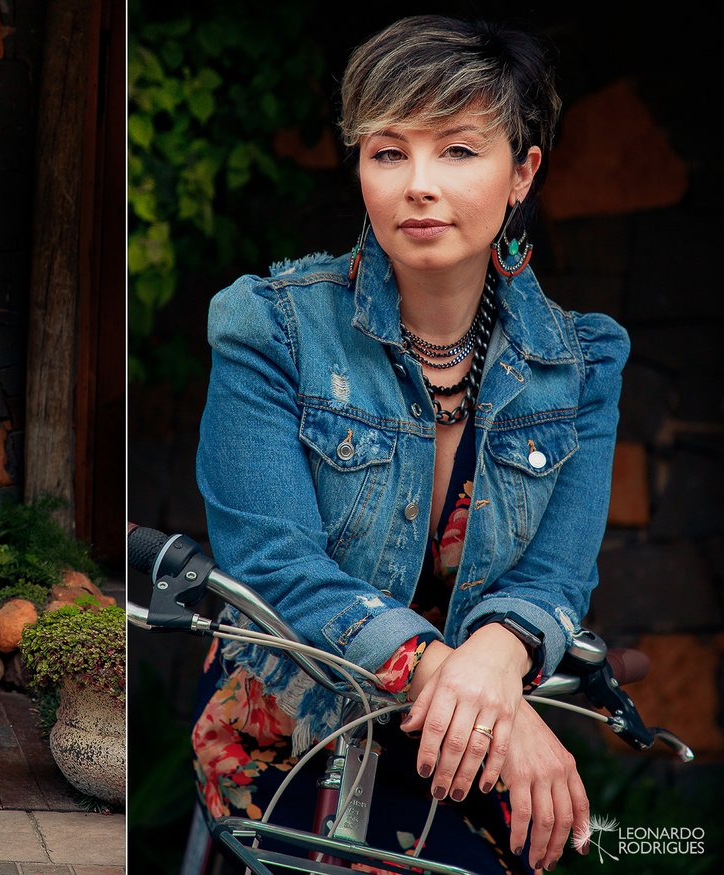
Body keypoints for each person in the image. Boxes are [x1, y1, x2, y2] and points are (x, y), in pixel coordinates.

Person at [192, 15, 626, 874]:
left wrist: (498, 659)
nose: (418, 185)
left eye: (459, 151)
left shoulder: (582, 363)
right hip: (295, 720)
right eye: (389, 152)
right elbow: (275, 563)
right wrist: (475, 690)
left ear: (522, 171)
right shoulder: (269, 326)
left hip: (478, 735)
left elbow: (558, 575)